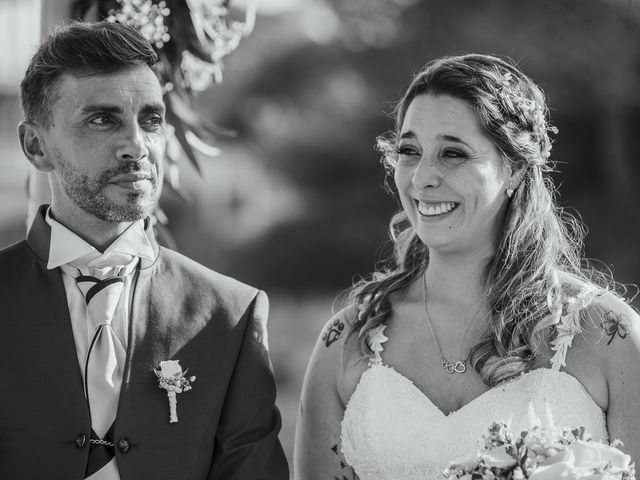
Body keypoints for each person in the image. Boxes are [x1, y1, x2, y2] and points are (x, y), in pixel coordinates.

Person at [294, 54, 640, 480]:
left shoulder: (606, 336)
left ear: (513, 168)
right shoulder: (348, 341)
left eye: (452, 153)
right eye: (409, 151)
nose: (422, 177)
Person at [0, 21, 288, 480]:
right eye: (102, 119)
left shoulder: (230, 313)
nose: (137, 145)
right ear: (37, 146)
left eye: (151, 120)